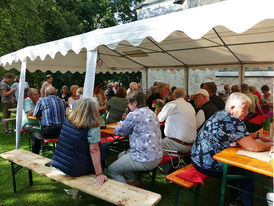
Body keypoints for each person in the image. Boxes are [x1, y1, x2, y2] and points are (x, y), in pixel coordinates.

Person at [191, 92, 272, 206]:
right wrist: (271, 145)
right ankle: (244, 203)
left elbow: (239, 135)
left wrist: (257, 135)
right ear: (233, 107)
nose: (247, 113)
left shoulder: (221, 114)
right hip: (208, 165)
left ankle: (235, 197)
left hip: (196, 158)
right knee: (247, 171)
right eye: (245, 109)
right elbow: (254, 147)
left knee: (236, 164)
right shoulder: (233, 121)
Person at [108, 91, 163, 185]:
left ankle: (127, 195)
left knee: (112, 170)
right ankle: (133, 181)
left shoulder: (134, 114)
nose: (128, 105)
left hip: (144, 158)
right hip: (157, 155)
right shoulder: (151, 112)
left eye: (129, 103)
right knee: (120, 155)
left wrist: (121, 124)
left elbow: (120, 131)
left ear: (135, 103)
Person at [50, 98, 109, 186]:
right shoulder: (93, 126)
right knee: (104, 147)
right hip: (74, 169)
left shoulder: (68, 120)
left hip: (59, 162)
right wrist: (99, 174)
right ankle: (99, 170)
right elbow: (94, 150)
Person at [158, 88, 196, 153]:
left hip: (176, 144)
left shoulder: (171, 104)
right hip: (192, 146)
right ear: (184, 96)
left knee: (151, 145)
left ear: (173, 95)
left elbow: (159, 119)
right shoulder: (190, 106)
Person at [32, 86, 66, 154]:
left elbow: (35, 115)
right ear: (56, 93)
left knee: (34, 135)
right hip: (62, 131)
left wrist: (43, 116)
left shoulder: (41, 101)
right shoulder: (62, 101)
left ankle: (35, 156)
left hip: (49, 131)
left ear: (46, 94)